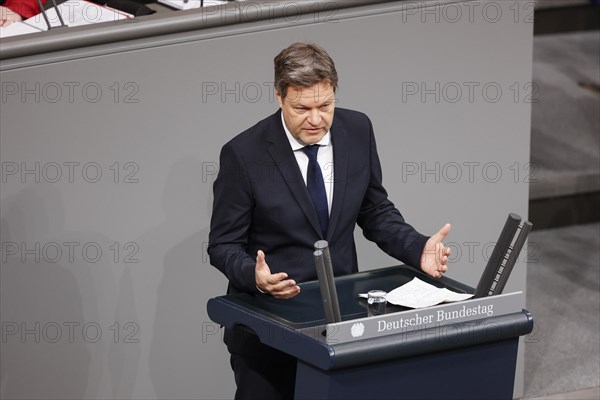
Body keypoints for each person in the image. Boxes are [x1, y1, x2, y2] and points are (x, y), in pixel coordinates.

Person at [208, 42, 451, 400]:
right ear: (279, 97)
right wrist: (254, 277)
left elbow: (375, 210)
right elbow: (222, 245)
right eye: (302, 108)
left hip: (340, 321)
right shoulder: (244, 155)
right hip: (269, 328)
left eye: (325, 105)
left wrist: (417, 248)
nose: (316, 119)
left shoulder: (357, 130)